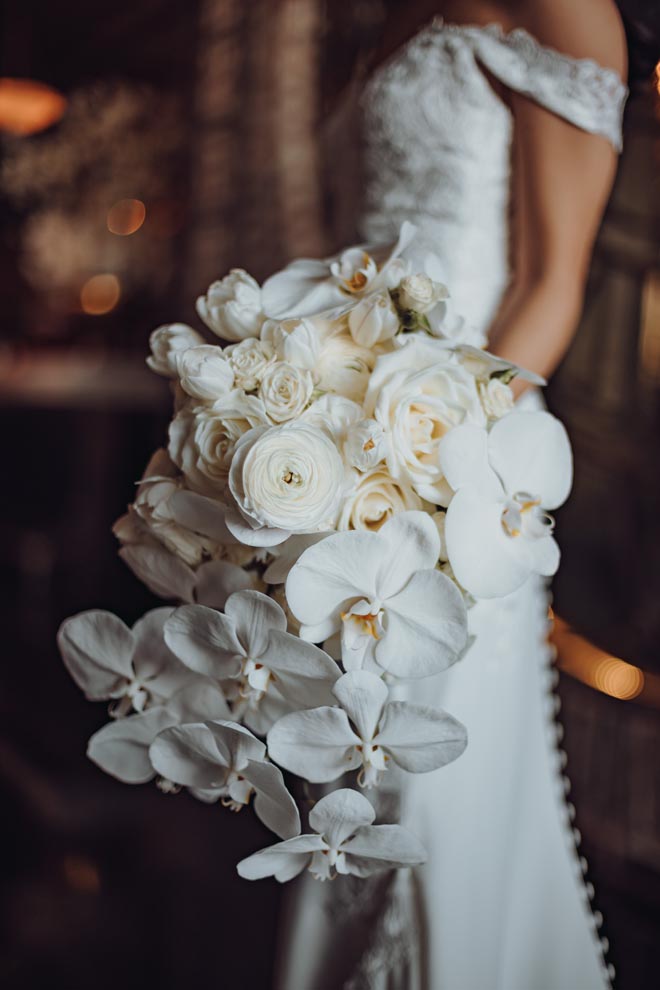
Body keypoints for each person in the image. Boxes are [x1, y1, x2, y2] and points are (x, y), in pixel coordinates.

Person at [274, 1, 629, 988]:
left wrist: (432, 471)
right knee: (348, 780)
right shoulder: (383, 13)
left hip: (455, 472)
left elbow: (552, 284)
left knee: (425, 796)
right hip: (350, 446)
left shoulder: (565, 8)